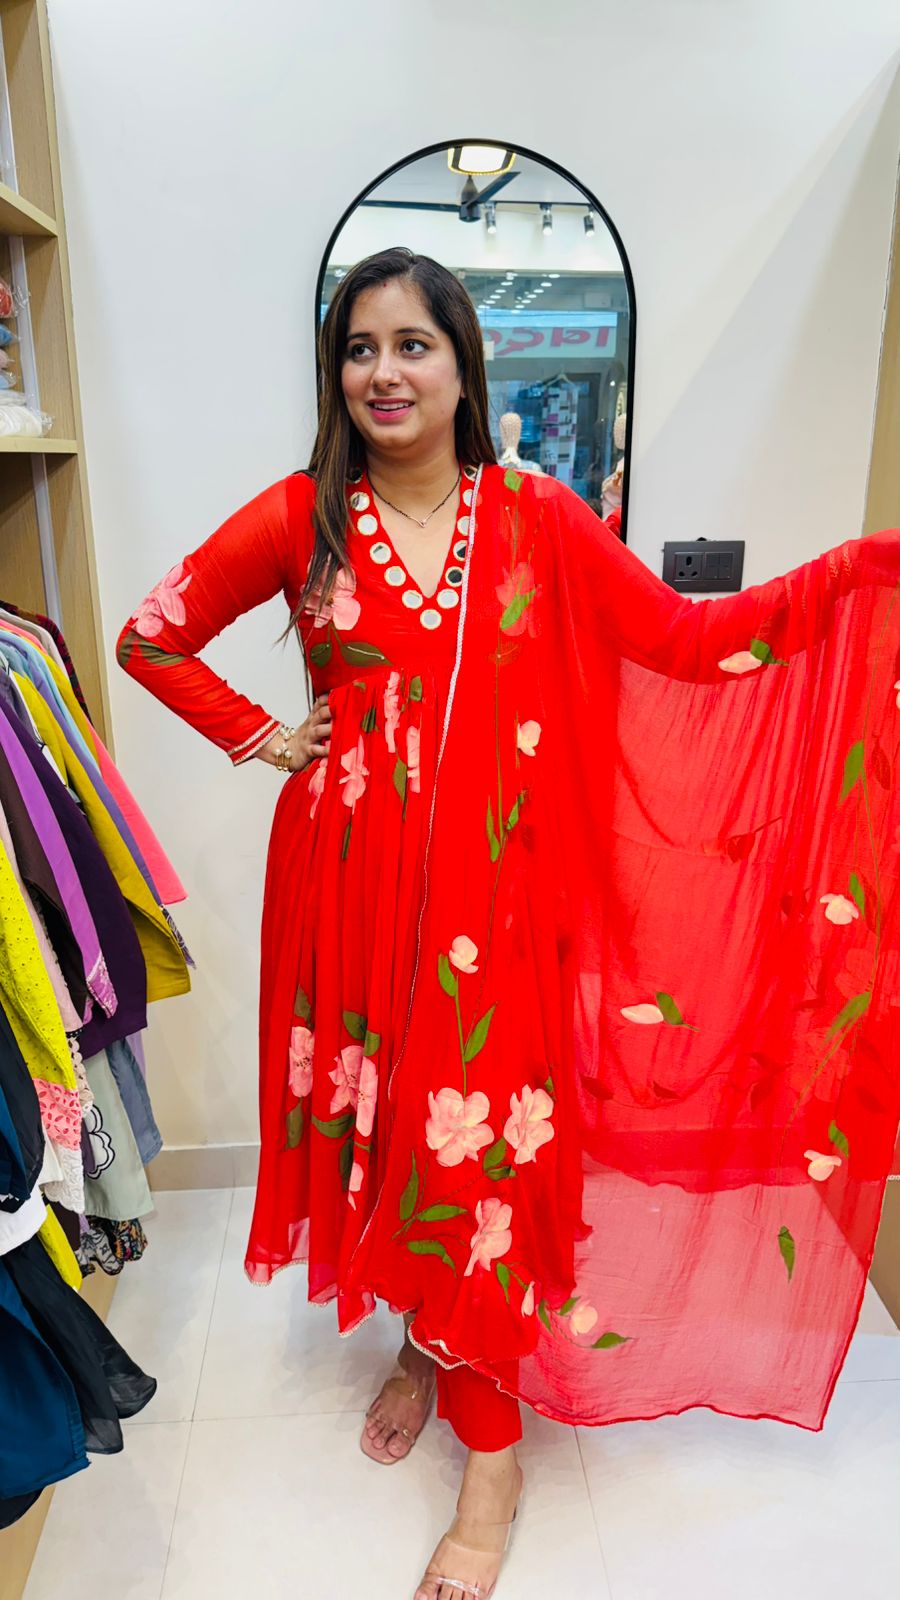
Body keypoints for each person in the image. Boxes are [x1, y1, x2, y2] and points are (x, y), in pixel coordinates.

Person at [118, 247, 900, 1600]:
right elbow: (151, 633)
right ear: (335, 371)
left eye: (414, 345)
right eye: (360, 348)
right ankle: (429, 1345)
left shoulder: (533, 511)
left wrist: (850, 578)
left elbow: (685, 641)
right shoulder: (306, 515)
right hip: (352, 892)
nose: (386, 372)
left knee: (482, 1160)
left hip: (500, 902)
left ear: (466, 366)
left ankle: (492, 1467)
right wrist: (263, 736)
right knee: (395, 1141)